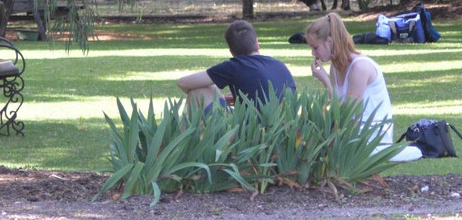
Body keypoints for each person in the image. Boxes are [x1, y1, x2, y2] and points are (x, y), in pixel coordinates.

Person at [305, 12, 422, 161]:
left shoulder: (360, 67)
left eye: (315, 47)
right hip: (351, 132)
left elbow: (349, 113)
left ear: (329, 41)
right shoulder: (335, 67)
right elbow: (337, 110)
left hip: (371, 135)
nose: (313, 53)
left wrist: (326, 82)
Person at [177, 19, 296, 111]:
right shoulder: (279, 64)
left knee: (198, 91)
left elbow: (183, 83)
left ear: (232, 52)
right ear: (257, 43)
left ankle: (182, 139)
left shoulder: (235, 66)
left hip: (251, 133)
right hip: (285, 132)